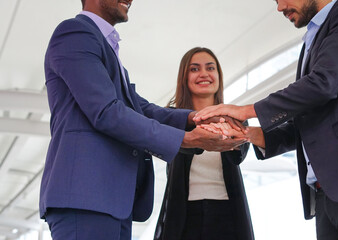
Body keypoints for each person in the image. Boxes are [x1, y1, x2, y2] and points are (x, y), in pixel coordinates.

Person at [39, 1, 247, 239]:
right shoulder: (75, 33)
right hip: (86, 197)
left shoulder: (106, 46)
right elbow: (106, 112)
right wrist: (185, 139)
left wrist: (197, 118)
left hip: (113, 201)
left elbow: (142, 108)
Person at [194, 0, 338, 239]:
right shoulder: (311, 38)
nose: (279, 7)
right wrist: (249, 134)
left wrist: (246, 110)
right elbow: (308, 118)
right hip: (325, 194)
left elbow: (323, 84)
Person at [153, 47, 254, 240]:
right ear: (184, 77)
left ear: (218, 75)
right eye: (194, 69)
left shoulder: (235, 118)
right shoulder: (170, 118)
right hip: (183, 215)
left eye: (210, 68)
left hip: (227, 214)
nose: (204, 74)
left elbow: (238, 155)